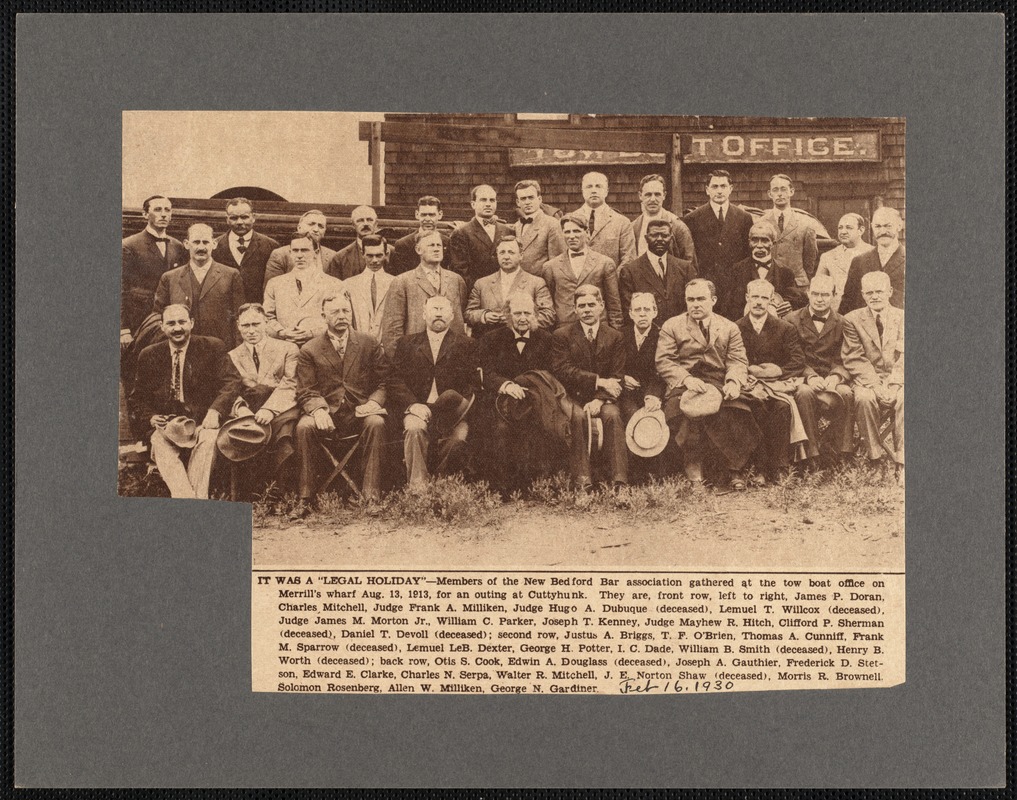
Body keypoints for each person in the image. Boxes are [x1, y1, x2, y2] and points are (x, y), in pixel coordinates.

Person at [656, 278, 759, 490]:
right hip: (685, 383)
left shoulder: (729, 327)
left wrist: (733, 382)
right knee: (687, 413)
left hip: (719, 382)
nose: (695, 304)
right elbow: (664, 361)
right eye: (690, 299)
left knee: (736, 410)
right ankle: (694, 470)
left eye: (701, 299)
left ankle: (734, 469)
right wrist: (686, 379)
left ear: (713, 300)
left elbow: (737, 360)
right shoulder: (672, 326)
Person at [292, 292, 389, 514]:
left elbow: (383, 382)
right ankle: (305, 498)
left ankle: (371, 497)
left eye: (346, 310)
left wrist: (374, 402)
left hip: (360, 412)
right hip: (327, 413)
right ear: (323, 315)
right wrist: (318, 410)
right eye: (335, 312)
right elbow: (305, 389)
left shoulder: (368, 343)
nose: (342, 316)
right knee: (304, 427)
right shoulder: (310, 349)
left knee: (376, 422)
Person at [128, 304, 229, 499]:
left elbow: (231, 383)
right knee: (159, 441)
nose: (177, 328)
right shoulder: (149, 355)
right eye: (171, 323)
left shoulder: (212, 347)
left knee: (208, 441)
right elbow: (137, 397)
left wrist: (215, 411)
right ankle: (187, 499)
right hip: (167, 424)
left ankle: (194, 500)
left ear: (191, 323)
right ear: (163, 327)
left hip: (202, 422)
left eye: (182, 322)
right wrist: (151, 417)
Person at [388, 295, 481, 492]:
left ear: (452, 315)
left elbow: (473, 384)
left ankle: (441, 486)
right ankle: (419, 489)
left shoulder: (467, 344)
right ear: (423, 314)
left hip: (453, 412)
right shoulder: (407, 343)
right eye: (433, 309)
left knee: (457, 441)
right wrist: (413, 405)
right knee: (414, 429)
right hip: (419, 408)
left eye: (443, 310)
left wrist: (456, 405)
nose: (438, 314)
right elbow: (394, 380)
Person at [477, 293, 563, 496]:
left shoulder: (546, 339)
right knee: (499, 430)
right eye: (517, 313)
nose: (523, 317)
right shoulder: (492, 339)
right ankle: (502, 488)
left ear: (534, 315)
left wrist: (529, 388)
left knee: (542, 428)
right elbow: (487, 373)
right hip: (501, 400)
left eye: (527, 313)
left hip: (535, 400)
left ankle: (536, 486)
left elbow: (551, 374)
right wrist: (506, 385)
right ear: (508, 315)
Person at [213, 303, 301, 482]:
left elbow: (291, 383)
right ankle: (252, 491)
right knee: (241, 433)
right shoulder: (232, 355)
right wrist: (240, 409)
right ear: (238, 326)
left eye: (256, 324)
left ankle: (283, 492)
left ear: (266, 323)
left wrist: (270, 409)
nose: (251, 330)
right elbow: (230, 388)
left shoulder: (288, 349)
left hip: (281, 408)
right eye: (246, 326)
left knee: (284, 434)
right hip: (249, 410)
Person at [552, 285, 628, 490]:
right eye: (581, 306)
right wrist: (598, 381)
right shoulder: (562, 335)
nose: (586, 310)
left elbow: (617, 375)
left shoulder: (615, 336)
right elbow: (563, 370)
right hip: (572, 396)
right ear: (575, 309)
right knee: (577, 418)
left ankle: (619, 482)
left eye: (591, 305)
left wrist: (599, 399)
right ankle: (582, 481)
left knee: (612, 416)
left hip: (603, 398)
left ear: (601, 306)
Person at [734, 280, 807, 485]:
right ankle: (759, 468)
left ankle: (780, 467)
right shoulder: (736, 327)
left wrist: (779, 370)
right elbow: (729, 359)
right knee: (754, 408)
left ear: (771, 300)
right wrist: (748, 371)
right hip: (747, 386)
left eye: (764, 298)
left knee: (782, 408)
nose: (759, 302)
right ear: (747, 298)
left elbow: (798, 360)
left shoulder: (785, 328)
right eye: (755, 297)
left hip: (776, 385)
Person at [784, 275, 857, 465]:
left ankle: (843, 453)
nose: (819, 299)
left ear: (834, 296)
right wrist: (810, 377)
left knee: (847, 393)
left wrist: (835, 376)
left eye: (825, 294)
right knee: (804, 393)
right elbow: (792, 356)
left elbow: (845, 356)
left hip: (832, 378)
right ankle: (811, 456)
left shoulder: (843, 322)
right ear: (808, 293)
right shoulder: (791, 320)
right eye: (815, 293)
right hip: (803, 377)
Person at [842, 271, 904, 482]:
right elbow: (854, 358)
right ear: (862, 294)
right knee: (863, 398)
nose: (875, 296)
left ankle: (902, 462)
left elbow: (906, 356)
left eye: (879, 291)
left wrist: (894, 384)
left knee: (905, 399)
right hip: (868, 378)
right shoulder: (852, 319)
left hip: (899, 376)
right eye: (869, 292)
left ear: (890, 292)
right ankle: (875, 459)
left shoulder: (904, 317)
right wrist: (877, 385)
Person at [153, 223, 245, 349]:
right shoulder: (169, 278)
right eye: (196, 242)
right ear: (186, 244)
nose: (201, 247)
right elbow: (158, 316)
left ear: (214, 244)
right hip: (182, 348)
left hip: (220, 348)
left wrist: (238, 351)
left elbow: (240, 317)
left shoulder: (231, 275)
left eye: (205, 242)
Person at [380, 229, 468, 356]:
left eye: (439, 245)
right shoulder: (402, 282)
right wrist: (400, 360)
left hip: (452, 357)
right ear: (418, 250)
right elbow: (392, 329)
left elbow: (461, 318)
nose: (437, 249)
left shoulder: (456, 280)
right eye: (431, 245)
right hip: (416, 357)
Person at [121, 194, 187, 350]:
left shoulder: (177, 246)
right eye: (157, 210)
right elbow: (121, 289)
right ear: (145, 214)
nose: (163, 214)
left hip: (171, 319)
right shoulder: (129, 245)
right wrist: (123, 329)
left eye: (167, 210)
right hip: (139, 319)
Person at [682, 170, 754, 308]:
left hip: (736, 286)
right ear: (707, 190)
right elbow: (690, 255)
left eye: (723, 186)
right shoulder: (692, 219)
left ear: (731, 189)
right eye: (715, 187)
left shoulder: (744, 218)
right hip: (706, 285)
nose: (719, 191)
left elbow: (748, 253)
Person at [541, 215, 623, 330]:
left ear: (587, 232)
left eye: (576, 231)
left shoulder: (604, 263)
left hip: (598, 328)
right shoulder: (550, 266)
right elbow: (549, 306)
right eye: (567, 232)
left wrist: (615, 333)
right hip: (564, 330)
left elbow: (614, 304)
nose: (571, 236)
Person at [264, 233, 346, 346]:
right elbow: (267, 317)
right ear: (290, 253)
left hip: (320, 348)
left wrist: (311, 333)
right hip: (284, 347)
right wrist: (282, 332)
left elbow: (339, 319)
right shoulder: (275, 284)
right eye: (295, 250)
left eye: (305, 250)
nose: (299, 255)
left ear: (315, 253)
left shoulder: (334, 284)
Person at [466, 235, 554, 339]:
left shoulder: (536, 283)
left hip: (523, 342)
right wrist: (484, 316)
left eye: (511, 252)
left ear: (521, 255)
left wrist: (518, 321)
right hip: (490, 343)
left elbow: (549, 315)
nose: (506, 257)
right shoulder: (481, 283)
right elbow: (468, 313)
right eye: (502, 252)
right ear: (497, 255)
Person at [723, 220, 807, 320]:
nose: (759, 245)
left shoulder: (785, 272)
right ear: (749, 242)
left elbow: (797, 299)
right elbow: (728, 305)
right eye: (755, 240)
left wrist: (790, 304)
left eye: (764, 240)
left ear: (773, 243)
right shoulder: (737, 270)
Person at [619, 218, 697, 322]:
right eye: (654, 235)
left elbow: (692, 302)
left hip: (680, 331)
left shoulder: (685, 268)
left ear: (671, 238)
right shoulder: (630, 271)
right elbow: (629, 309)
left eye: (664, 236)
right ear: (646, 238)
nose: (660, 239)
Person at [211, 197, 280, 304]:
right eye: (234, 218)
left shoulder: (271, 246)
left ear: (253, 217)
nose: (239, 222)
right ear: (227, 219)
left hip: (258, 310)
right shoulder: (214, 246)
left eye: (244, 217)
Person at [448, 184, 514, 294]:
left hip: (505, 291)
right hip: (476, 293)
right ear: (473, 204)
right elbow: (461, 271)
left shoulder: (507, 230)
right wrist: (482, 291)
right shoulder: (461, 233)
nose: (488, 204)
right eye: (483, 200)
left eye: (492, 200)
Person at [840, 206, 906, 313]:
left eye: (888, 226)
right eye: (878, 226)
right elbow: (848, 302)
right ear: (872, 227)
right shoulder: (859, 261)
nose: (883, 231)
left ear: (899, 226)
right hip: (864, 326)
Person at [758, 174, 819, 287]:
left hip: (797, 286)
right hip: (769, 284)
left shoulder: (805, 223)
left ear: (791, 191)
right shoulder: (761, 223)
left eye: (783, 189)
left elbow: (810, 259)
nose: (779, 193)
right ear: (769, 194)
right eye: (775, 190)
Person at [569, 171, 636, 269]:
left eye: (598, 186)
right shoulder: (570, 220)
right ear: (582, 190)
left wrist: (611, 281)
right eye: (589, 186)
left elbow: (629, 259)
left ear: (606, 191)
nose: (594, 191)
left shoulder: (622, 222)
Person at [630, 173, 696, 264]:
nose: (653, 199)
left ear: (664, 195)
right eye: (648, 195)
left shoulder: (677, 226)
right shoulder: (633, 227)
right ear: (640, 196)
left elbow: (690, 263)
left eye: (657, 194)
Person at [619, 292, 665, 423]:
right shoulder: (620, 335)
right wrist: (623, 378)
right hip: (626, 393)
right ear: (630, 313)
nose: (642, 314)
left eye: (647, 309)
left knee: (654, 420)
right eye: (638, 310)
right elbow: (612, 366)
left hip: (653, 392)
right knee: (634, 417)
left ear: (655, 312)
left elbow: (662, 370)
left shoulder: (662, 336)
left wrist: (653, 395)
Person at [816, 212, 874, 312]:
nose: (843, 232)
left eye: (849, 228)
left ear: (861, 230)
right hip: (836, 311)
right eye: (840, 228)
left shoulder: (873, 253)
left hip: (865, 309)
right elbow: (819, 286)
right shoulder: (828, 256)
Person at [263, 209, 337, 286]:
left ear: (324, 232)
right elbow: (272, 289)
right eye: (311, 224)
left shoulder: (333, 256)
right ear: (299, 228)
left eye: (321, 226)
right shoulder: (280, 255)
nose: (316, 229)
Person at [345, 234, 395, 341]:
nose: (374, 260)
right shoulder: (349, 284)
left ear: (386, 254)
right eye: (370, 256)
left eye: (379, 255)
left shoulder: (395, 283)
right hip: (358, 346)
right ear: (362, 254)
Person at [513, 179, 566, 277]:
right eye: (523, 199)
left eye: (531, 197)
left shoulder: (551, 224)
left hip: (541, 285)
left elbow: (558, 262)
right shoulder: (516, 226)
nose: (527, 202)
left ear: (539, 199)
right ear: (518, 202)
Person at [328, 205, 394, 280]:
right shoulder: (340, 258)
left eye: (369, 220)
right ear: (353, 225)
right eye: (360, 220)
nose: (365, 224)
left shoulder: (392, 252)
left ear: (376, 223)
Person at [389, 196, 450, 275]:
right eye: (423, 215)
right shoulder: (403, 244)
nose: (427, 219)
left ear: (440, 214)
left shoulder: (448, 243)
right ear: (417, 214)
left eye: (432, 215)